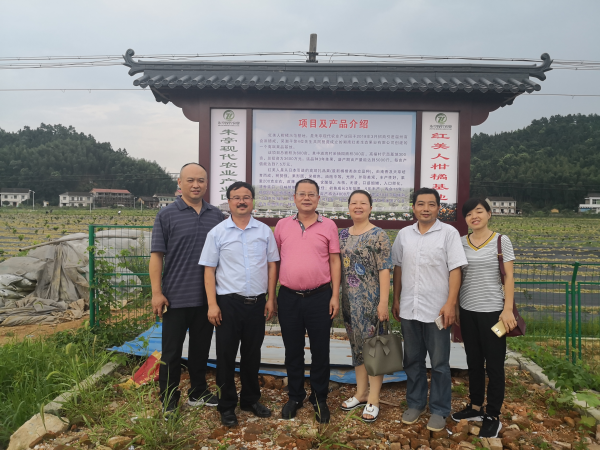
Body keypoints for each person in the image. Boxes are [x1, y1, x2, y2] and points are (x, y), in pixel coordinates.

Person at [199, 181, 279, 427]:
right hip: (228, 304)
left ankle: (250, 400)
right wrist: (212, 304)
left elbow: (272, 265)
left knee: (252, 354)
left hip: (256, 303)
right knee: (225, 355)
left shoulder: (264, 231)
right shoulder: (218, 233)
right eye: (236, 197)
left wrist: (271, 298)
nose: (242, 201)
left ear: (252, 201)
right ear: (229, 202)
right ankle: (226, 406)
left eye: (246, 197)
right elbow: (209, 270)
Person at [150, 162, 224, 413]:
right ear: (179, 183)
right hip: (175, 297)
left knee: (200, 350)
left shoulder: (216, 216)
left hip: (207, 298)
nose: (196, 185)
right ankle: (169, 399)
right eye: (190, 180)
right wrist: (157, 293)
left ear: (207, 184)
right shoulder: (167, 215)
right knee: (171, 352)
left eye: (201, 180)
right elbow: (157, 256)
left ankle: (198, 391)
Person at [391, 187, 468, 432]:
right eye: (421, 204)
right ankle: (415, 404)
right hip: (409, 308)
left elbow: (455, 269)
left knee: (439, 363)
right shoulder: (404, 235)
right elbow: (398, 268)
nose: (426, 209)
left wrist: (450, 303)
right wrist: (396, 299)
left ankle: (439, 409)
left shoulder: (449, 234)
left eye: (431, 204)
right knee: (412, 360)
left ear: (438, 208)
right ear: (413, 208)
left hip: (437, 310)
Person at [274, 178, 341, 424]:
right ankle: (295, 396)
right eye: (301, 194)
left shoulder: (329, 226)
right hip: (289, 297)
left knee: (320, 350)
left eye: (311, 194)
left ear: (318, 199)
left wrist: (335, 295)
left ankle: (319, 398)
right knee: (293, 349)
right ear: (294, 198)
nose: (306, 198)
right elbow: (275, 261)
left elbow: (334, 261)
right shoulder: (282, 225)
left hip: (320, 297)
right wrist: (271, 295)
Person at [450, 198, 516, 438]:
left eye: (479, 211)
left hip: (494, 313)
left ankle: (493, 415)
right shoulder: (460, 242)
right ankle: (476, 406)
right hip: (468, 311)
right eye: (469, 214)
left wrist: (507, 309)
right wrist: (457, 307)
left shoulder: (501, 240)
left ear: (489, 214)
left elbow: (509, 276)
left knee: (495, 365)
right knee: (474, 361)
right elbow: (458, 276)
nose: (474, 217)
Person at [339, 190, 392, 423]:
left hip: (371, 301)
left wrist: (383, 302)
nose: (358, 206)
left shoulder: (379, 235)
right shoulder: (342, 235)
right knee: (357, 347)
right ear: (349, 207)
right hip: (349, 301)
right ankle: (360, 393)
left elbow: (384, 270)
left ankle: (374, 398)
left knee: (374, 349)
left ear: (371, 207)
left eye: (363, 203)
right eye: (354, 203)